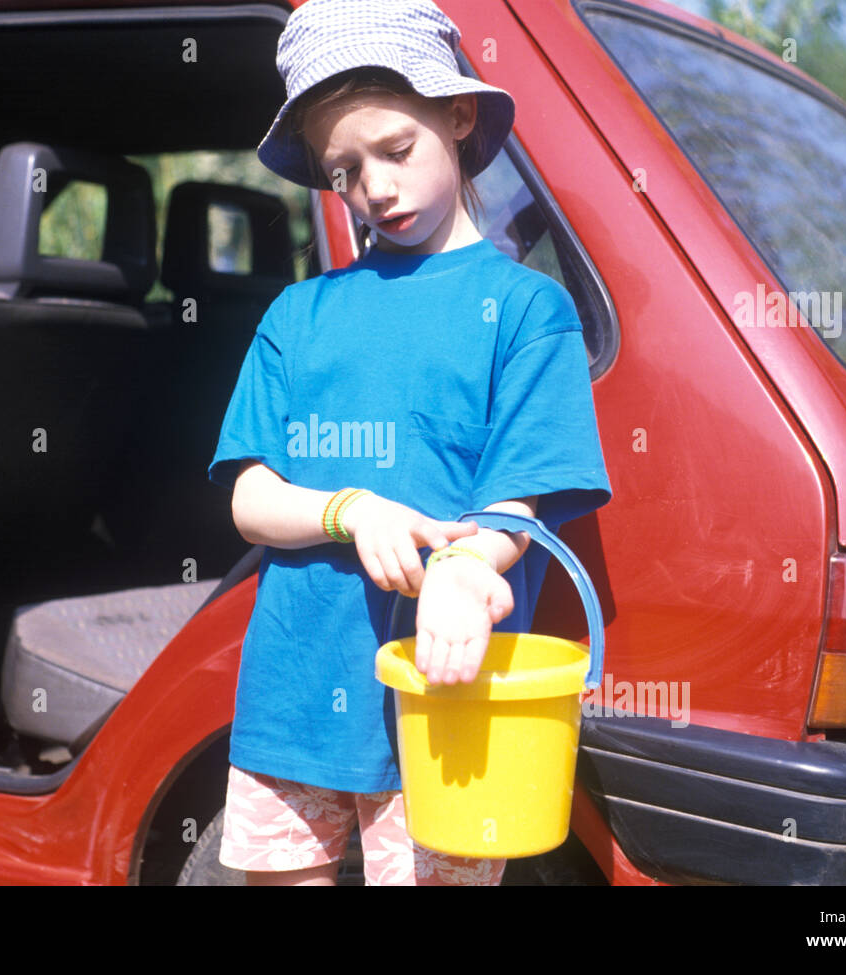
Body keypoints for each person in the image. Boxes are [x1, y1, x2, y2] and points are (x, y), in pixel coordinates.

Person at [206, 0, 612, 886]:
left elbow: (520, 499)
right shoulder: (298, 313)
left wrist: (466, 579)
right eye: (344, 169)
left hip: (445, 703)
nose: (375, 190)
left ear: (457, 116)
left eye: (395, 151)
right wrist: (347, 508)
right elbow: (249, 496)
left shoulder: (526, 310)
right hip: (295, 695)